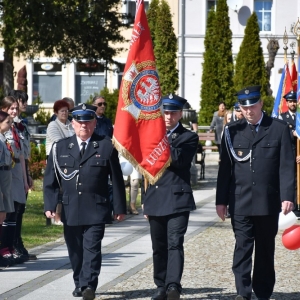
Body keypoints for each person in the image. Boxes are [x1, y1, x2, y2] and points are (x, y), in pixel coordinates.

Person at [216, 86, 295, 300]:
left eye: (253, 106)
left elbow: (287, 166)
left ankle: (262, 292)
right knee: (242, 247)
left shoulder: (278, 129)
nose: (249, 110)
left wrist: (288, 195)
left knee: (265, 249)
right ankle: (243, 292)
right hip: (240, 200)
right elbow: (225, 170)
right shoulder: (232, 131)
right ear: (240, 108)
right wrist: (220, 201)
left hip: (267, 201)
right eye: (245, 107)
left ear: (261, 104)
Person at [43, 103, 126, 300]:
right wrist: (50, 205)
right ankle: (79, 281)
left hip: (96, 207)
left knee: (92, 247)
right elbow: (51, 180)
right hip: (70, 208)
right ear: (73, 123)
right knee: (75, 249)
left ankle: (89, 284)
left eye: (88, 122)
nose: (83, 126)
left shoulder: (106, 145)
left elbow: (116, 179)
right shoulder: (61, 147)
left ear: (94, 123)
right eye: (79, 122)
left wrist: (119, 207)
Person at [142, 94, 198, 300]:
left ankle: (173, 285)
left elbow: (179, 160)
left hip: (177, 198)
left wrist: (159, 140)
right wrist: (144, 200)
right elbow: (144, 169)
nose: (168, 116)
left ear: (180, 114)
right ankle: (160, 285)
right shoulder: (150, 136)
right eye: (165, 112)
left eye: (173, 112)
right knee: (158, 246)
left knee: (174, 242)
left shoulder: (188, 136)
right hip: (155, 197)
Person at [8, 90, 37, 260]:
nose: (24, 104)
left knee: (20, 210)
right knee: (13, 212)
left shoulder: (22, 125)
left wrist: (28, 174)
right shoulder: (8, 125)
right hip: (12, 173)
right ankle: (12, 244)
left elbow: (25, 154)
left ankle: (17, 242)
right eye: (22, 101)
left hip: (22, 172)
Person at [0, 96, 29, 265]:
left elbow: (22, 155)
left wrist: (27, 177)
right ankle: (6, 248)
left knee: (15, 212)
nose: (14, 111)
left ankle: (12, 246)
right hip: (6, 173)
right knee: (6, 213)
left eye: (15, 109)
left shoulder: (15, 128)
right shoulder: (3, 130)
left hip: (16, 173)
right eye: (10, 108)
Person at [46, 99, 75, 225]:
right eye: (62, 111)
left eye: (67, 111)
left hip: (70, 160)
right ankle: (56, 217)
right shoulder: (53, 125)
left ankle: (65, 214)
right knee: (58, 187)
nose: (65, 113)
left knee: (67, 188)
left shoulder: (71, 124)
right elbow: (59, 142)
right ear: (56, 112)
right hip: (56, 160)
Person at [279, 90, 299, 216]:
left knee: (299, 179)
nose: (293, 104)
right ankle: (291, 204)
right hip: (288, 153)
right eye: (290, 101)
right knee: (289, 178)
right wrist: (292, 134)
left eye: (294, 101)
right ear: (287, 103)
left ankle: (298, 204)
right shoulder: (283, 117)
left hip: (299, 153)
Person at [0, 111, 14, 267]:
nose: (10, 125)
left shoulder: (4, 139)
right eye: (7, 122)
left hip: (6, 176)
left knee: (3, 216)